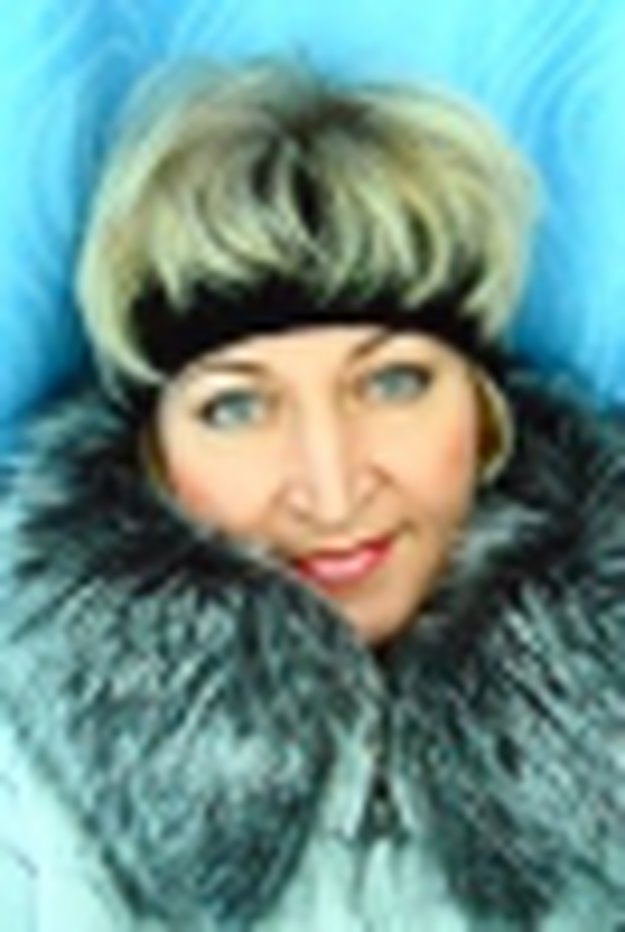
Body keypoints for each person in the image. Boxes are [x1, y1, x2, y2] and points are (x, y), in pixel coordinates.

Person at [0, 59, 624, 932]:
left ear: (485, 417)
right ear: (154, 456)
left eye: (393, 383)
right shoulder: (24, 753)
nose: (330, 493)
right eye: (237, 407)